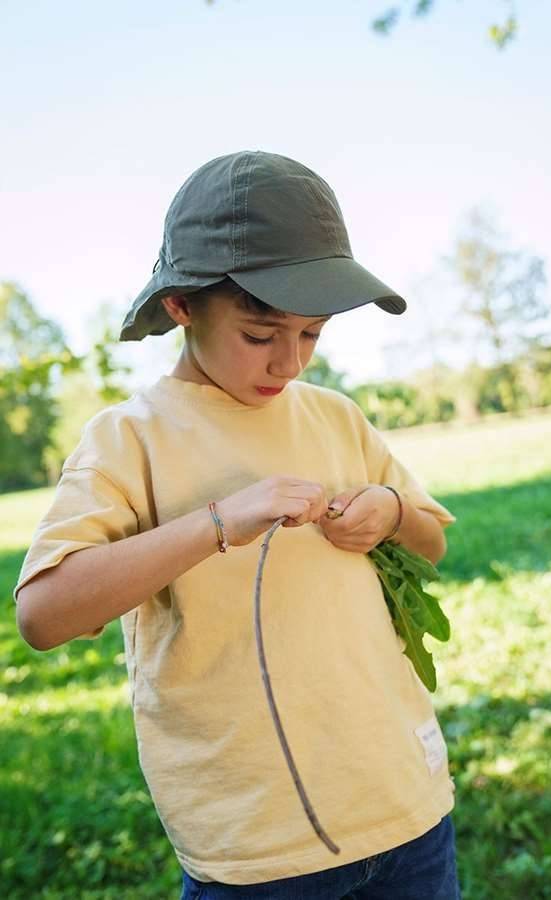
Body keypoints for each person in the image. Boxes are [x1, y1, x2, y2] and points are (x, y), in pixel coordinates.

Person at [14, 150, 461, 899]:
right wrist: (218, 521)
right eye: (260, 335)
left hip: (405, 806)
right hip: (258, 847)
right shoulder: (130, 439)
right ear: (182, 305)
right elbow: (43, 614)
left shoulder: (335, 416)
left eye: (312, 334)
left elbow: (433, 541)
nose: (290, 363)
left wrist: (389, 512)